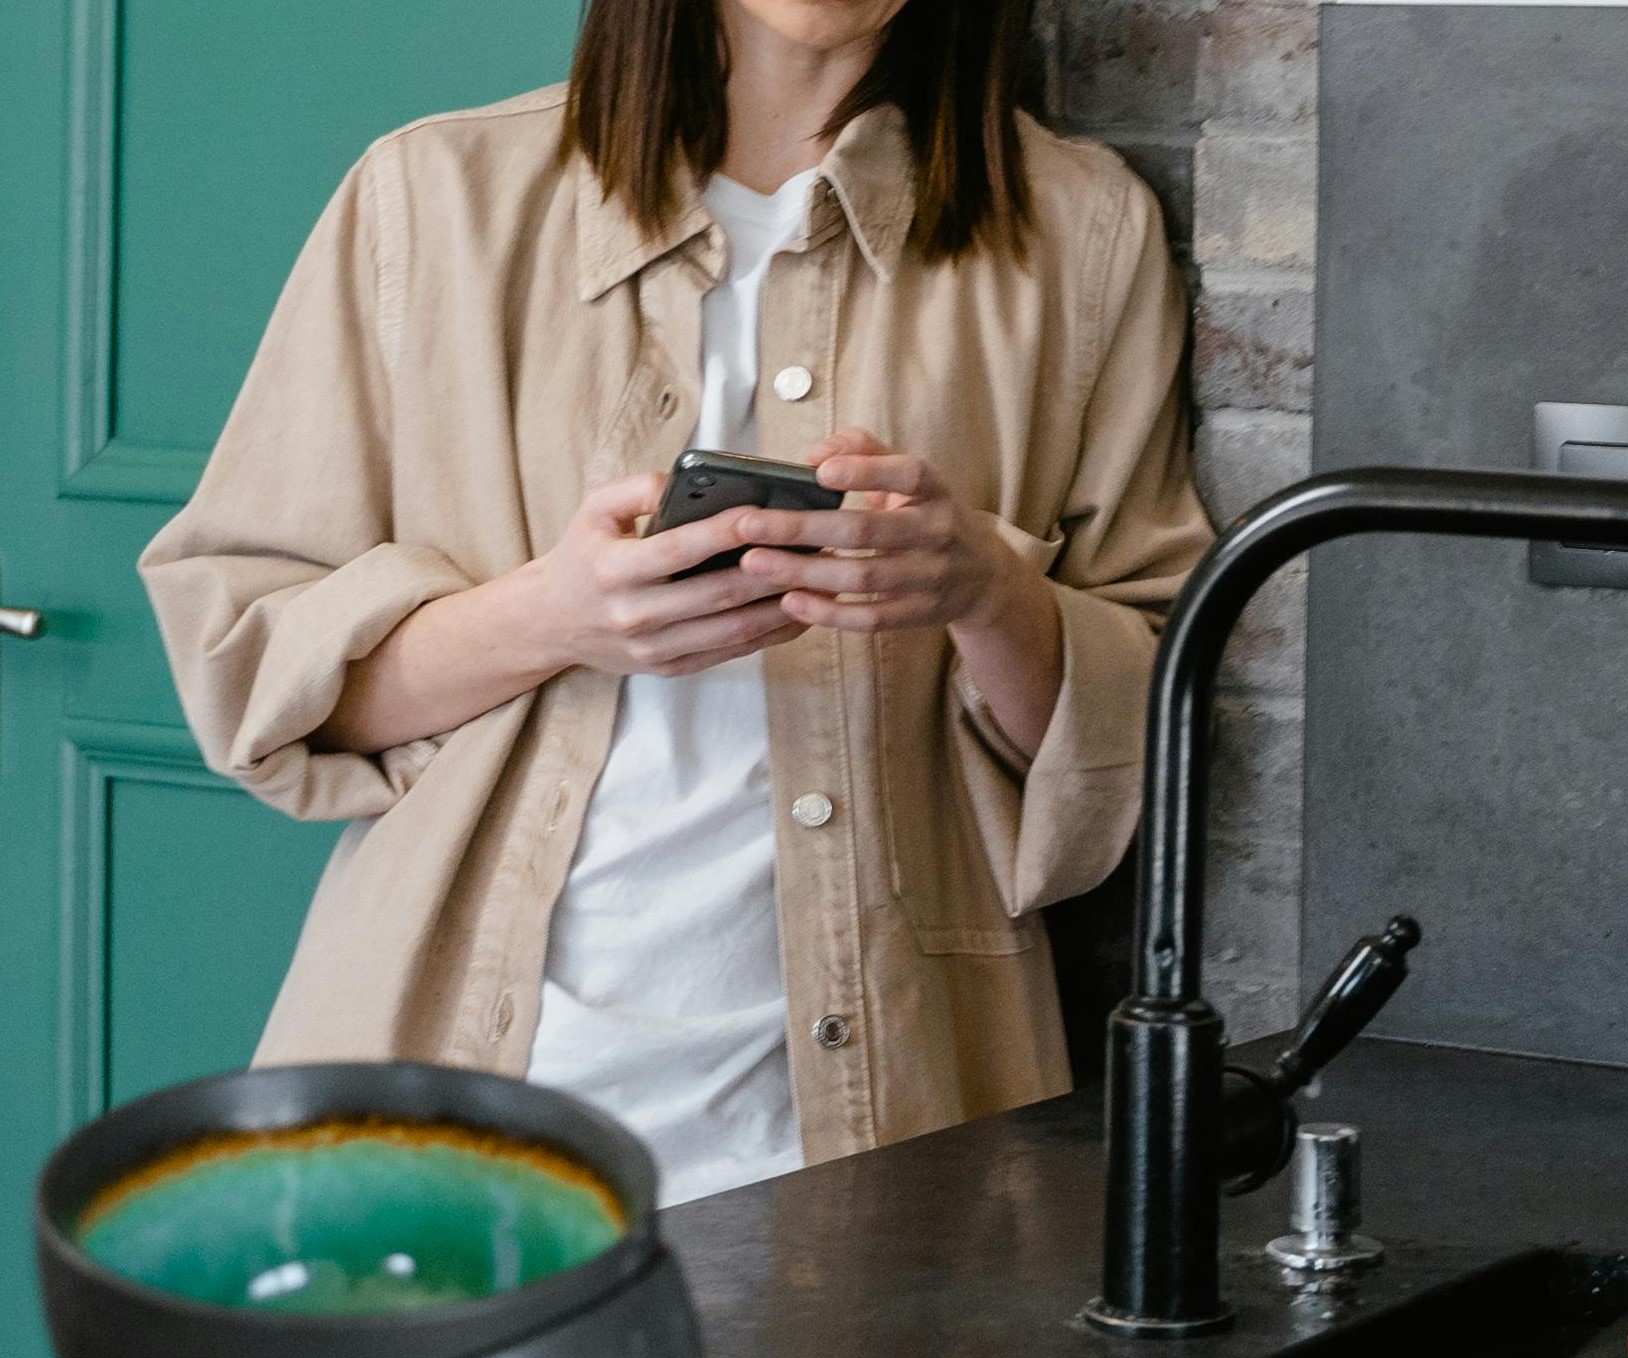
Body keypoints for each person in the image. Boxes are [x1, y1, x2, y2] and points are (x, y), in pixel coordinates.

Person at [142, 0, 1207, 1202]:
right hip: (455, 1086)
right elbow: (254, 671)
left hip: (897, 1104)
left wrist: (988, 593)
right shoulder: (429, 198)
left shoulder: (1083, 231)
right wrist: (552, 616)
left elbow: (1145, 720)